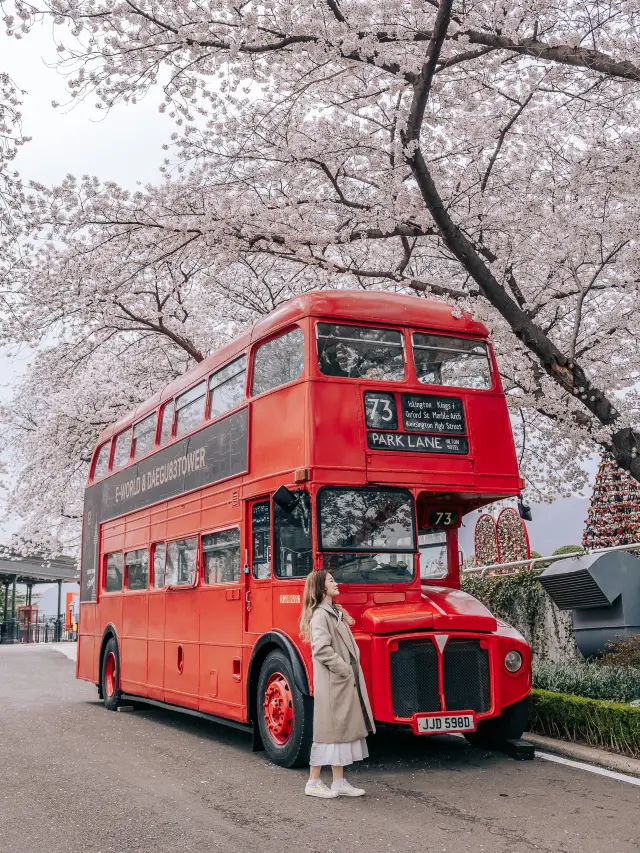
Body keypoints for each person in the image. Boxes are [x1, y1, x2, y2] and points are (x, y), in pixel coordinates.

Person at [299, 569, 375, 798]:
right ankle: (312, 782)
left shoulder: (333, 611)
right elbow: (321, 650)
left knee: (339, 732)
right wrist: (343, 669)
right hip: (334, 682)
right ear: (321, 587)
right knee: (328, 734)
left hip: (340, 682)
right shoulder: (322, 615)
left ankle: (338, 781)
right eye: (331, 580)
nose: (336, 583)